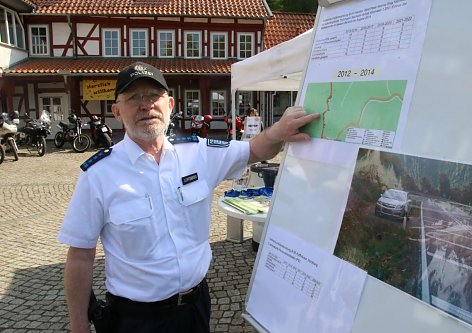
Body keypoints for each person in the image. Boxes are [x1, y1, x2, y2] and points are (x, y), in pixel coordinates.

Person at [57, 61, 319, 333]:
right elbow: (80, 255)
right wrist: (78, 325)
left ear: (169, 104)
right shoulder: (98, 174)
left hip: (195, 308)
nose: (145, 105)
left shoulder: (199, 153)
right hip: (135, 319)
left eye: (153, 96)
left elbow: (255, 150)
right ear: (117, 111)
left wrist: (280, 129)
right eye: (133, 97)